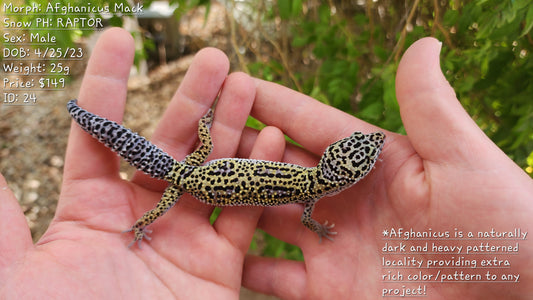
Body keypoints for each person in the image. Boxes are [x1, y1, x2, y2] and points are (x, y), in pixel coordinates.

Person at [0, 27, 531, 299]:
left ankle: (110, 154)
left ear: (339, 161)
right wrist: (319, 224)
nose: (367, 152)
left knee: (162, 153)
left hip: (197, 175)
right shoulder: (308, 192)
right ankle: (102, 150)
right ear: (341, 171)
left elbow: (297, 209)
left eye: (360, 154)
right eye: (362, 152)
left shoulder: (304, 184)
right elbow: (303, 217)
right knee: (141, 158)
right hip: (196, 182)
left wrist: (205, 130)